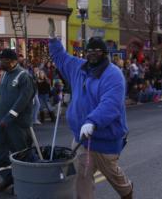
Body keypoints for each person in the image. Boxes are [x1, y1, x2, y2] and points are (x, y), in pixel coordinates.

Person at [48, 18, 133, 199]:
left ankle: (127, 191)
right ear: (85, 53)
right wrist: (53, 40)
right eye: (90, 51)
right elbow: (61, 58)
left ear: (105, 53)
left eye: (97, 51)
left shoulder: (113, 75)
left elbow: (110, 104)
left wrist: (92, 121)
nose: (93, 54)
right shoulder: (78, 67)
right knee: (82, 180)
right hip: (82, 139)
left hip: (105, 140)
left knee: (115, 178)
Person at [0, 49, 35, 192]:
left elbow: (23, 100)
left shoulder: (24, 76)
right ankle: (8, 178)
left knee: (21, 154)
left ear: (14, 61)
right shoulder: (4, 75)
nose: (1, 63)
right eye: (0, 60)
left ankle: (24, 183)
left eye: (4, 60)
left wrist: (9, 117)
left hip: (17, 123)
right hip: (1, 121)